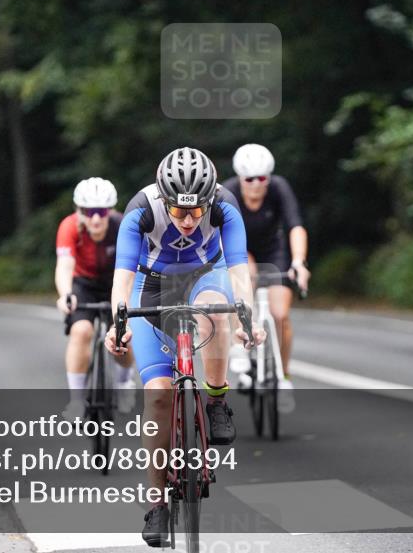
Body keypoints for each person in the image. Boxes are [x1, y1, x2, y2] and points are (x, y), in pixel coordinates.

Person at [104, 146, 263, 547]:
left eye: (197, 211)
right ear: (164, 199)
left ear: (209, 199)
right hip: (152, 284)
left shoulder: (225, 206)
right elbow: (122, 277)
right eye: (179, 212)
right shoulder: (141, 208)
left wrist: (250, 317)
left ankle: (216, 400)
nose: (189, 220)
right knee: (157, 395)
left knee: (216, 308)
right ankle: (156, 504)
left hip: (207, 276)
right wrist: (118, 320)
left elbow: (239, 267)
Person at [222, 144, 311, 409]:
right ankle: (239, 345)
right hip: (240, 247)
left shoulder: (279, 188)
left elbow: (295, 226)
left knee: (280, 314)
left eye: (262, 178)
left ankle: (283, 376)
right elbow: (221, 234)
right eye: (250, 179)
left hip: (274, 250)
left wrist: (298, 262)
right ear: (240, 178)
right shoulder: (228, 193)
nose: (256, 185)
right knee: (241, 281)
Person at [55, 177, 137, 420]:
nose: (96, 219)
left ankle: (124, 381)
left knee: (122, 332)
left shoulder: (123, 226)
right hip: (84, 284)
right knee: (81, 331)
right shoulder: (69, 227)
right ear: (78, 211)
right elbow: (64, 266)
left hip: (116, 282)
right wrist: (65, 295)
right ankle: (77, 400)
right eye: (88, 212)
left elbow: (134, 268)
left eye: (101, 211)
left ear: (110, 210)